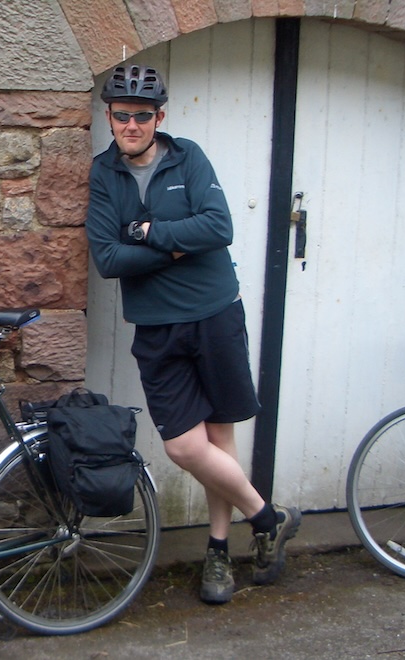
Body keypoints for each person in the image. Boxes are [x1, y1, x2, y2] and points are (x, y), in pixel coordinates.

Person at [86, 64, 301, 605]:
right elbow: (108, 258)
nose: (131, 125)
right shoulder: (104, 173)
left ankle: (218, 550)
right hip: (157, 325)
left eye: (142, 116)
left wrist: (149, 233)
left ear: (159, 118)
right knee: (186, 446)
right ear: (109, 117)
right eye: (121, 115)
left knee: (220, 439)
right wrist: (178, 247)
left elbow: (219, 226)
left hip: (214, 312)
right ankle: (268, 517)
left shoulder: (189, 158)